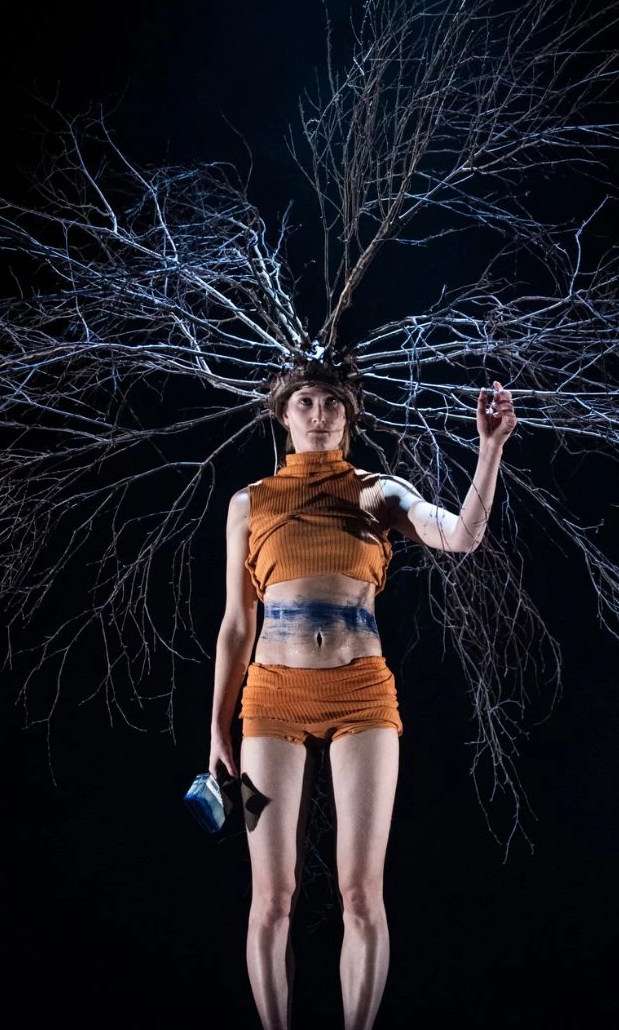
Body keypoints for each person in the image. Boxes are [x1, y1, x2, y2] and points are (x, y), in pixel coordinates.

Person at [208, 360, 517, 1030]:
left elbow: (462, 536)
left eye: (331, 405)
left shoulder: (381, 493)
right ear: (283, 415)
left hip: (361, 697)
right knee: (272, 899)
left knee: (360, 894)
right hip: (269, 701)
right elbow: (237, 623)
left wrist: (489, 452)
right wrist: (217, 730)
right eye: (306, 403)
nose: (318, 414)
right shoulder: (248, 503)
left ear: (349, 418)